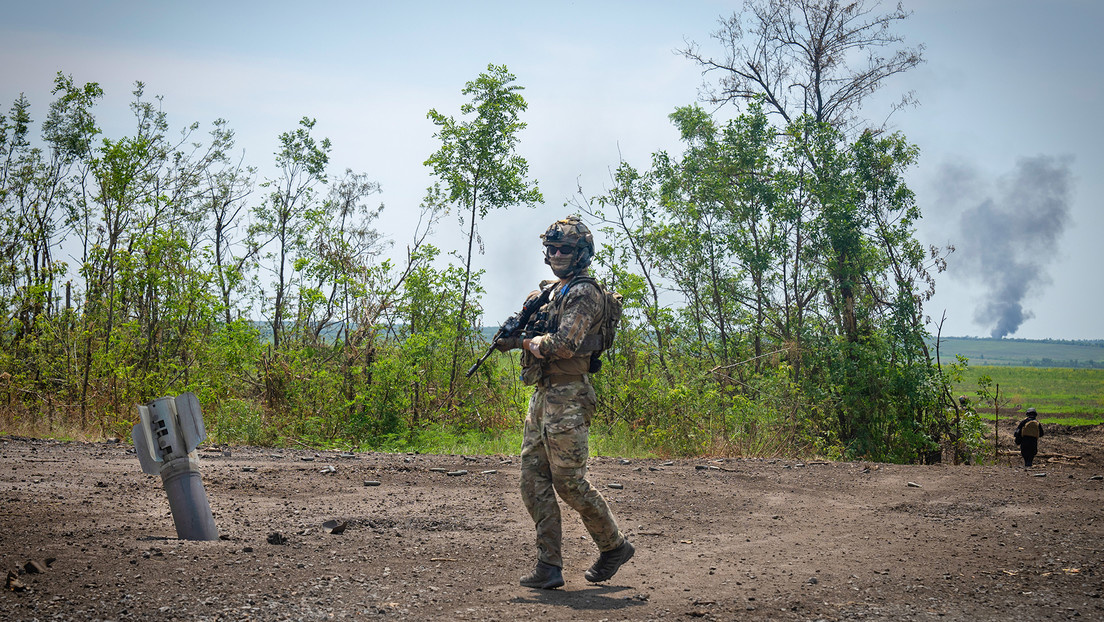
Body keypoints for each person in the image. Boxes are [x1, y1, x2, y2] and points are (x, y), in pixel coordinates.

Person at [498, 216, 634, 590]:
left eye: (566, 249)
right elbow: (538, 334)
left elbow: (563, 344)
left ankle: (614, 546)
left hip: (570, 396)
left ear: (582, 253)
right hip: (544, 395)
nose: (557, 254)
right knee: (532, 479)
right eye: (553, 248)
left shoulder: (583, 292)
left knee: (570, 482)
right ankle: (549, 565)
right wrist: (516, 334)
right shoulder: (551, 291)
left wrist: (523, 343)